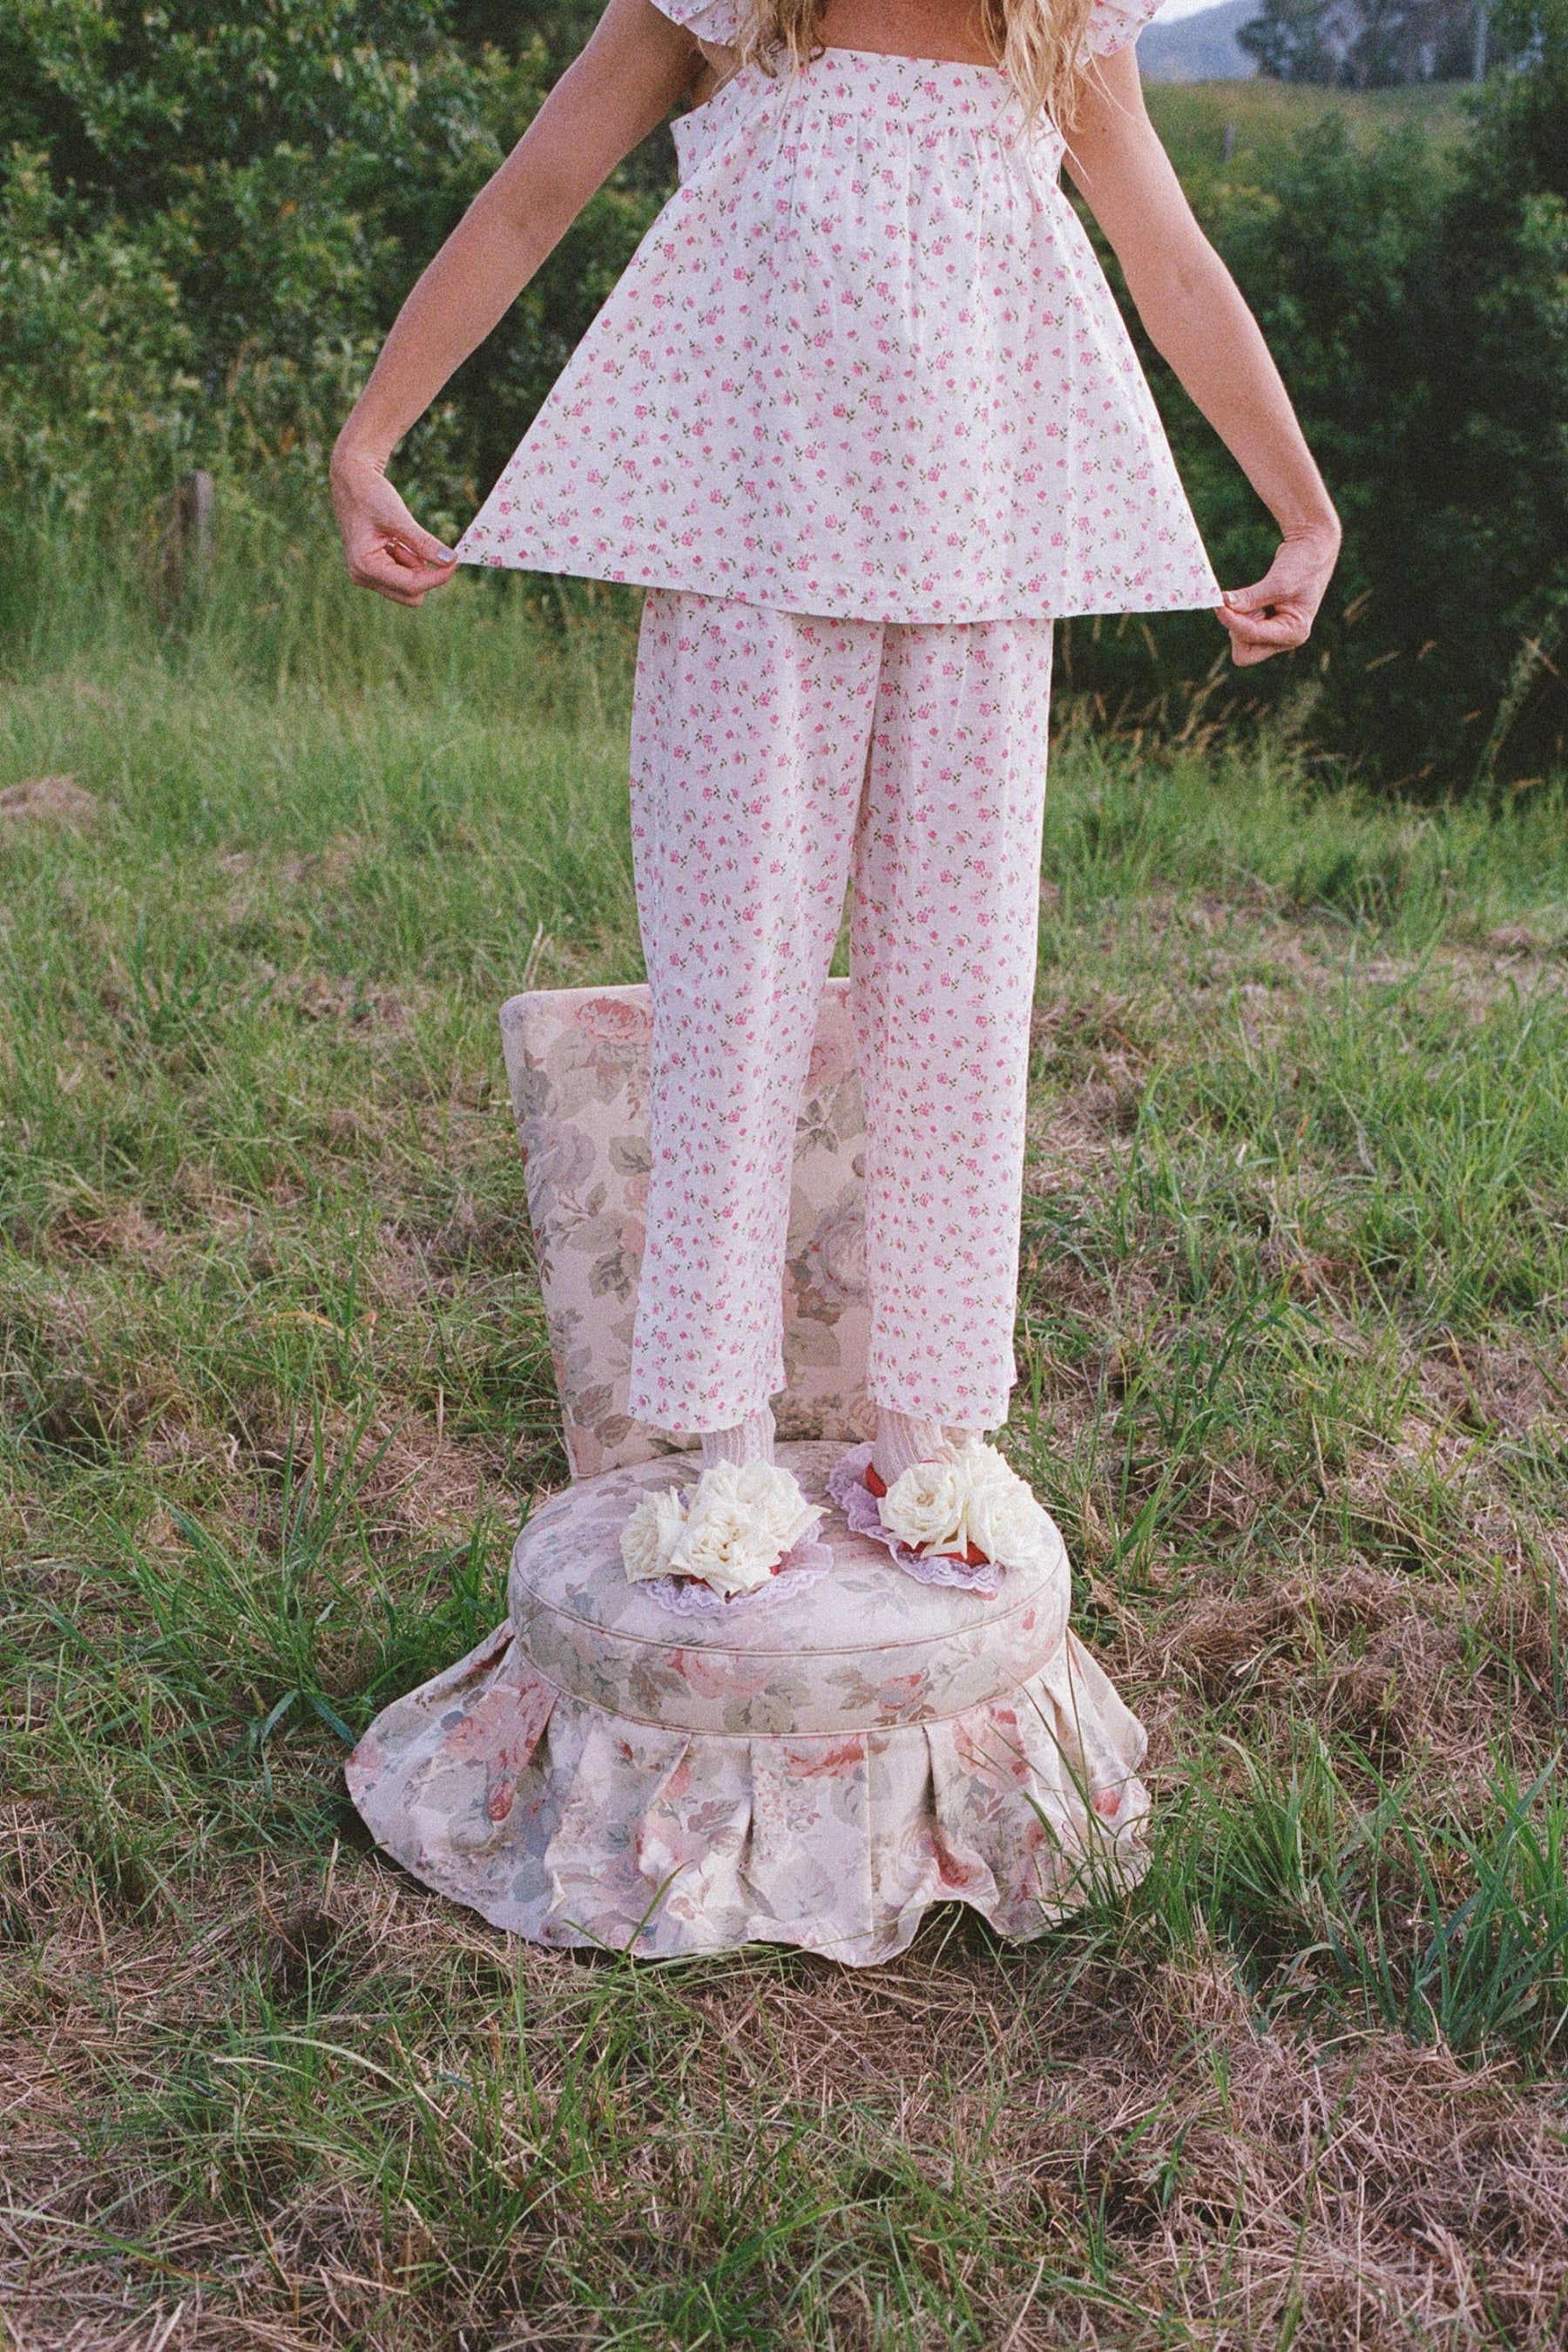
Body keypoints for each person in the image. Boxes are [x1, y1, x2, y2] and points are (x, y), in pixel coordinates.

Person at [331, 0, 1338, 1587]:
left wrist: (1300, 506)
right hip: (750, 563)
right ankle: (722, 1458)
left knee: (958, 1005)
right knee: (735, 996)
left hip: (978, 566)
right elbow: (533, 194)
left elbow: (1170, 255)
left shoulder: (1058, 19)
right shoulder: (725, 8)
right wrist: (375, 433)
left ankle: (934, 1443)